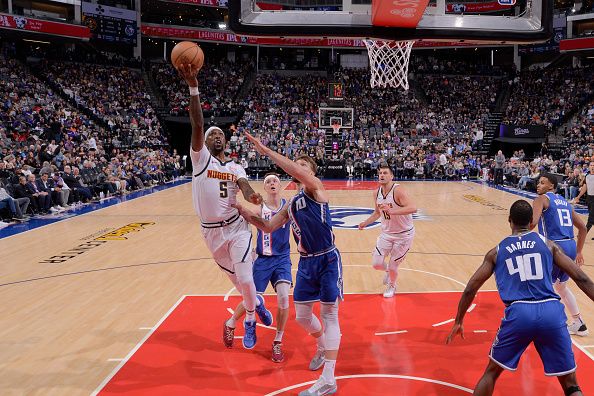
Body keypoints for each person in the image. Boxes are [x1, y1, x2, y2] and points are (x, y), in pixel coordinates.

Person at [446, 200, 594, 396]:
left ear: (509, 221)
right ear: (531, 220)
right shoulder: (548, 245)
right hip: (551, 311)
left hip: (519, 313)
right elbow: (581, 278)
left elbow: (470, 288)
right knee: (571, 383)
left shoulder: (497, 251)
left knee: (491, 373)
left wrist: (459, 319)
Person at [234, 134, 343, 396]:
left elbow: (294, 171)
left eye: (302, 166)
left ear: (311, 173)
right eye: (297, 165)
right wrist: (238, 208)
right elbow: (268, 226)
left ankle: (329, 377)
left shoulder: (316, 188)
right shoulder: (292, 204)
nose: (298, 168)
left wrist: (265, 150)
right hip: (305, 263)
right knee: (302, 317)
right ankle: (321, 345)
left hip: (327, 258)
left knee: (329, 315)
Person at [177, 63, 271, 350]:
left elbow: (244, 186)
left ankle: (250, 322)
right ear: (203, 143)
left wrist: (252, 196)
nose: (217, 136)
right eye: (211, 135)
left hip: (236, 228)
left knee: (245, 278)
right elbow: (197, 123)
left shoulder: (235, 166)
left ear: (225, 141)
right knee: (243, 286)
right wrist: (194, 87)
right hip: (211, 235)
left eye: (221, 135)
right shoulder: (201, 160)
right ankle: (257, 303)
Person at [224, 173, 292, 363]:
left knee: (284, 297)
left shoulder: (288, 206)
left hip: (282, 259)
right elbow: (242, 225)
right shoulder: (259, 208)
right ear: (264, 188)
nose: (272, 183)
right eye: (268, 182)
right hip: (262, 259)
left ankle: (278, 340)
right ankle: (230, 323)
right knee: (251, 299)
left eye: (275, 181)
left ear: (280, 186)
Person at [530, 174, 588, 336]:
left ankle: (548, 324)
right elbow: (583, 228)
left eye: (542, 183)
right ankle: (578, 323)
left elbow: (533, 223)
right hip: (569, 246)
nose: (538, 185)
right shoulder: (565, 202)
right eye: (538, 183)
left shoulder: (541, 199)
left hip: (554, 246)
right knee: (561, 287)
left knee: (542, 286)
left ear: (551, 186)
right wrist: (578, 251)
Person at [358, 164, 416, 298]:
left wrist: (392, 211)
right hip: (386, 233)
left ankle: (392, 285)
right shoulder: (376, 192)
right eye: (380, 173)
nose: (382, 175)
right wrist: (365, 223)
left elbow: (413, 208)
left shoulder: (398, 190)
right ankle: (389, 272)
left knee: (393, 266)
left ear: (391, 176)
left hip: (403, 235)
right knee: (376, 264)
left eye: (385, 173)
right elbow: (377, 213)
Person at [572, 161, 594, 239]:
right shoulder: (587, 175)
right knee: (592, 217)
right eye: (591, 165)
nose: (592, 166)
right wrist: (578, 196)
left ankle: (582, 234)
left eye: (593, 165)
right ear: (589, 167)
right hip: (589, 198)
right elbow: (585, 187)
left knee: (590, 218)